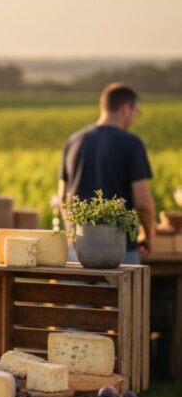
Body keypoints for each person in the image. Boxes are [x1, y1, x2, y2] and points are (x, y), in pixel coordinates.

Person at [59, 82, 156, 263]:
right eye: (136, 112)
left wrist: (73, 237)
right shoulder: (131, 144)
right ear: (126, 109)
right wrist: (148, 235)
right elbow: (143, 203)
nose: (135, 118)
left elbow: (63, 197)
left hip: (79, 251)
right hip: (120, 252)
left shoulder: (73, 141)